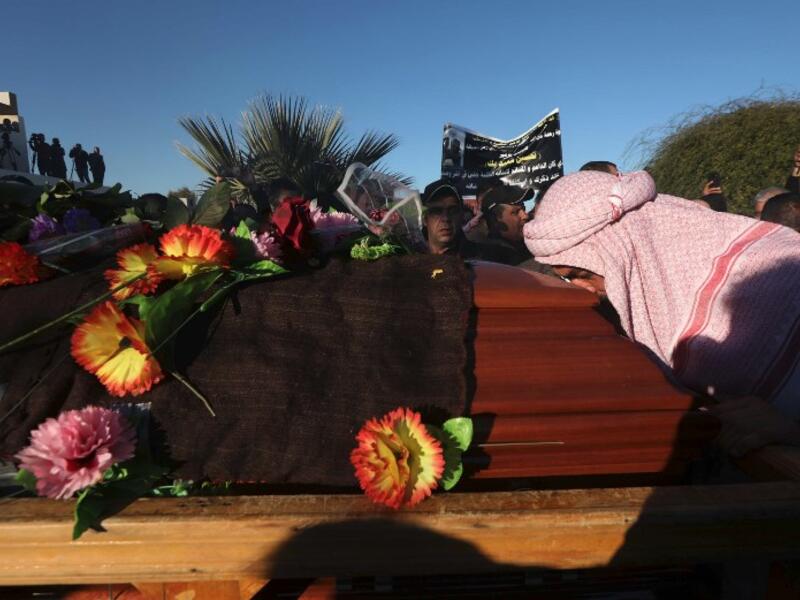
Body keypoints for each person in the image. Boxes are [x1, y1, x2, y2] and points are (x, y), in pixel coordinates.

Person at [524, 170, 800, 454]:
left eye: (581, 273)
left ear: (628, 244)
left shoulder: (783, 271)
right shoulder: (651, 304)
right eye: (569, 280)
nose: (584, 290)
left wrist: (789, 428)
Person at [421, 178, 487, 259]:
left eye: (453, 211)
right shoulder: (409, 259)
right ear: (425, 219)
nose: (446, 218)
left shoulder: (485, 257)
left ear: (462, 215)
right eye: (437, 211)